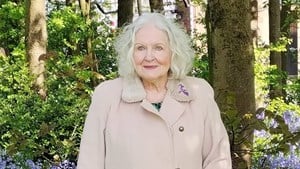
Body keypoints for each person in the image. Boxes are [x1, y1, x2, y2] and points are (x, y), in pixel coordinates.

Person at [77, 12, 232, 169]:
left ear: (173, 52)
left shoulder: (198, 92)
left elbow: (218, 159)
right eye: (141, 48)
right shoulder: (107, 96)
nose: (149, 57)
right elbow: (89, 162)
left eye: (158, 48)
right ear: (130, 54)